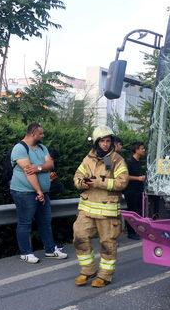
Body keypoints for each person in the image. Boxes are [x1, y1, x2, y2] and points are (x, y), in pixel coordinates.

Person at [73, 126, 128, 287]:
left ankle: (104, 275)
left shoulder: (117, 159)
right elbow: (77, 176)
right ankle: (87, 271)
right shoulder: (88, 158)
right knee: (79, 236)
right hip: (87, 208)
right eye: (102, 141)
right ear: (97, 142)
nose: (105, 144)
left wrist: (99, 182)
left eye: (108, 141)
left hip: (107, 210)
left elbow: (122, 182)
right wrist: (81, 183)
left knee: (107, 243)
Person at [10, 123, 67, 263]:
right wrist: (39, 191)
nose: (43, 136)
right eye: (41, 133)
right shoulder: (19, 148)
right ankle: (25, 253)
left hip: (42, 193)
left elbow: (50, 164)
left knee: (45, 222)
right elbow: (28, 172)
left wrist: (38, 167)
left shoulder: (42, 147)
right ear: (33, 134)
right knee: (25, 222)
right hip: (25, 192)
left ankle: (50, 250)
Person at [123, 141, 146, 239]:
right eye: (142, 148)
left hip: (138, 190)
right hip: (131, 191)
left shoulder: (138, 162)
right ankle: (131, 233)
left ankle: (137, 231)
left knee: (139, 212)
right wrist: (138, 178)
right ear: (136, 150)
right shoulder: (129, 161)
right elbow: (124, 176)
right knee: (132, 212)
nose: (144, 150)